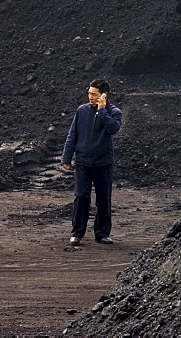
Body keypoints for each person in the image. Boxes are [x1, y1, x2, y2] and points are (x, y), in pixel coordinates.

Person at [61, 79, 123, 245]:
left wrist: (102, 111)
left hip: (103, 164)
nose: (90, 97)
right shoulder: (81, 111)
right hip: (82, 163)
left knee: (103, 199)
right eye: (89, 94)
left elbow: (113, 129)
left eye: (94, 94)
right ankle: (77, 233)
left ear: (104, 95)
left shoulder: (114, 112)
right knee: (81, 197)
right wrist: (66, 157)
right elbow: (72, 135)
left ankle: (102, 233)